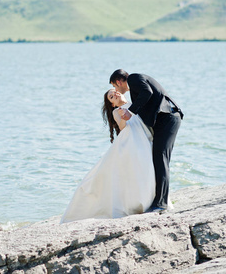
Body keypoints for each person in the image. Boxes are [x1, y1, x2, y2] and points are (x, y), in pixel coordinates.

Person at [61, 89, 156, 223]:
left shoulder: (135, 104)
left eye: (114, 92)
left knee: (146, 169)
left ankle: (147, 200)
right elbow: (123, 127)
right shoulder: (116, 111)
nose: (115, 95)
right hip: (129, 142)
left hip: (144, 140)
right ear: (112, 104)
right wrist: (123, 116)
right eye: (111, 97)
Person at [110, 69, 183, 213]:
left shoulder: (135, 78)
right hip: (164, 121)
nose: (116, 90)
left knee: (161, 158)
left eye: (115, 86)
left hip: (169, 118)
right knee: (158, 158)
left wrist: (130, 112)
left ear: (118, 82)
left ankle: (161, 204)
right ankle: (158, 201)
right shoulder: (134, 86)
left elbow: (147, 92)